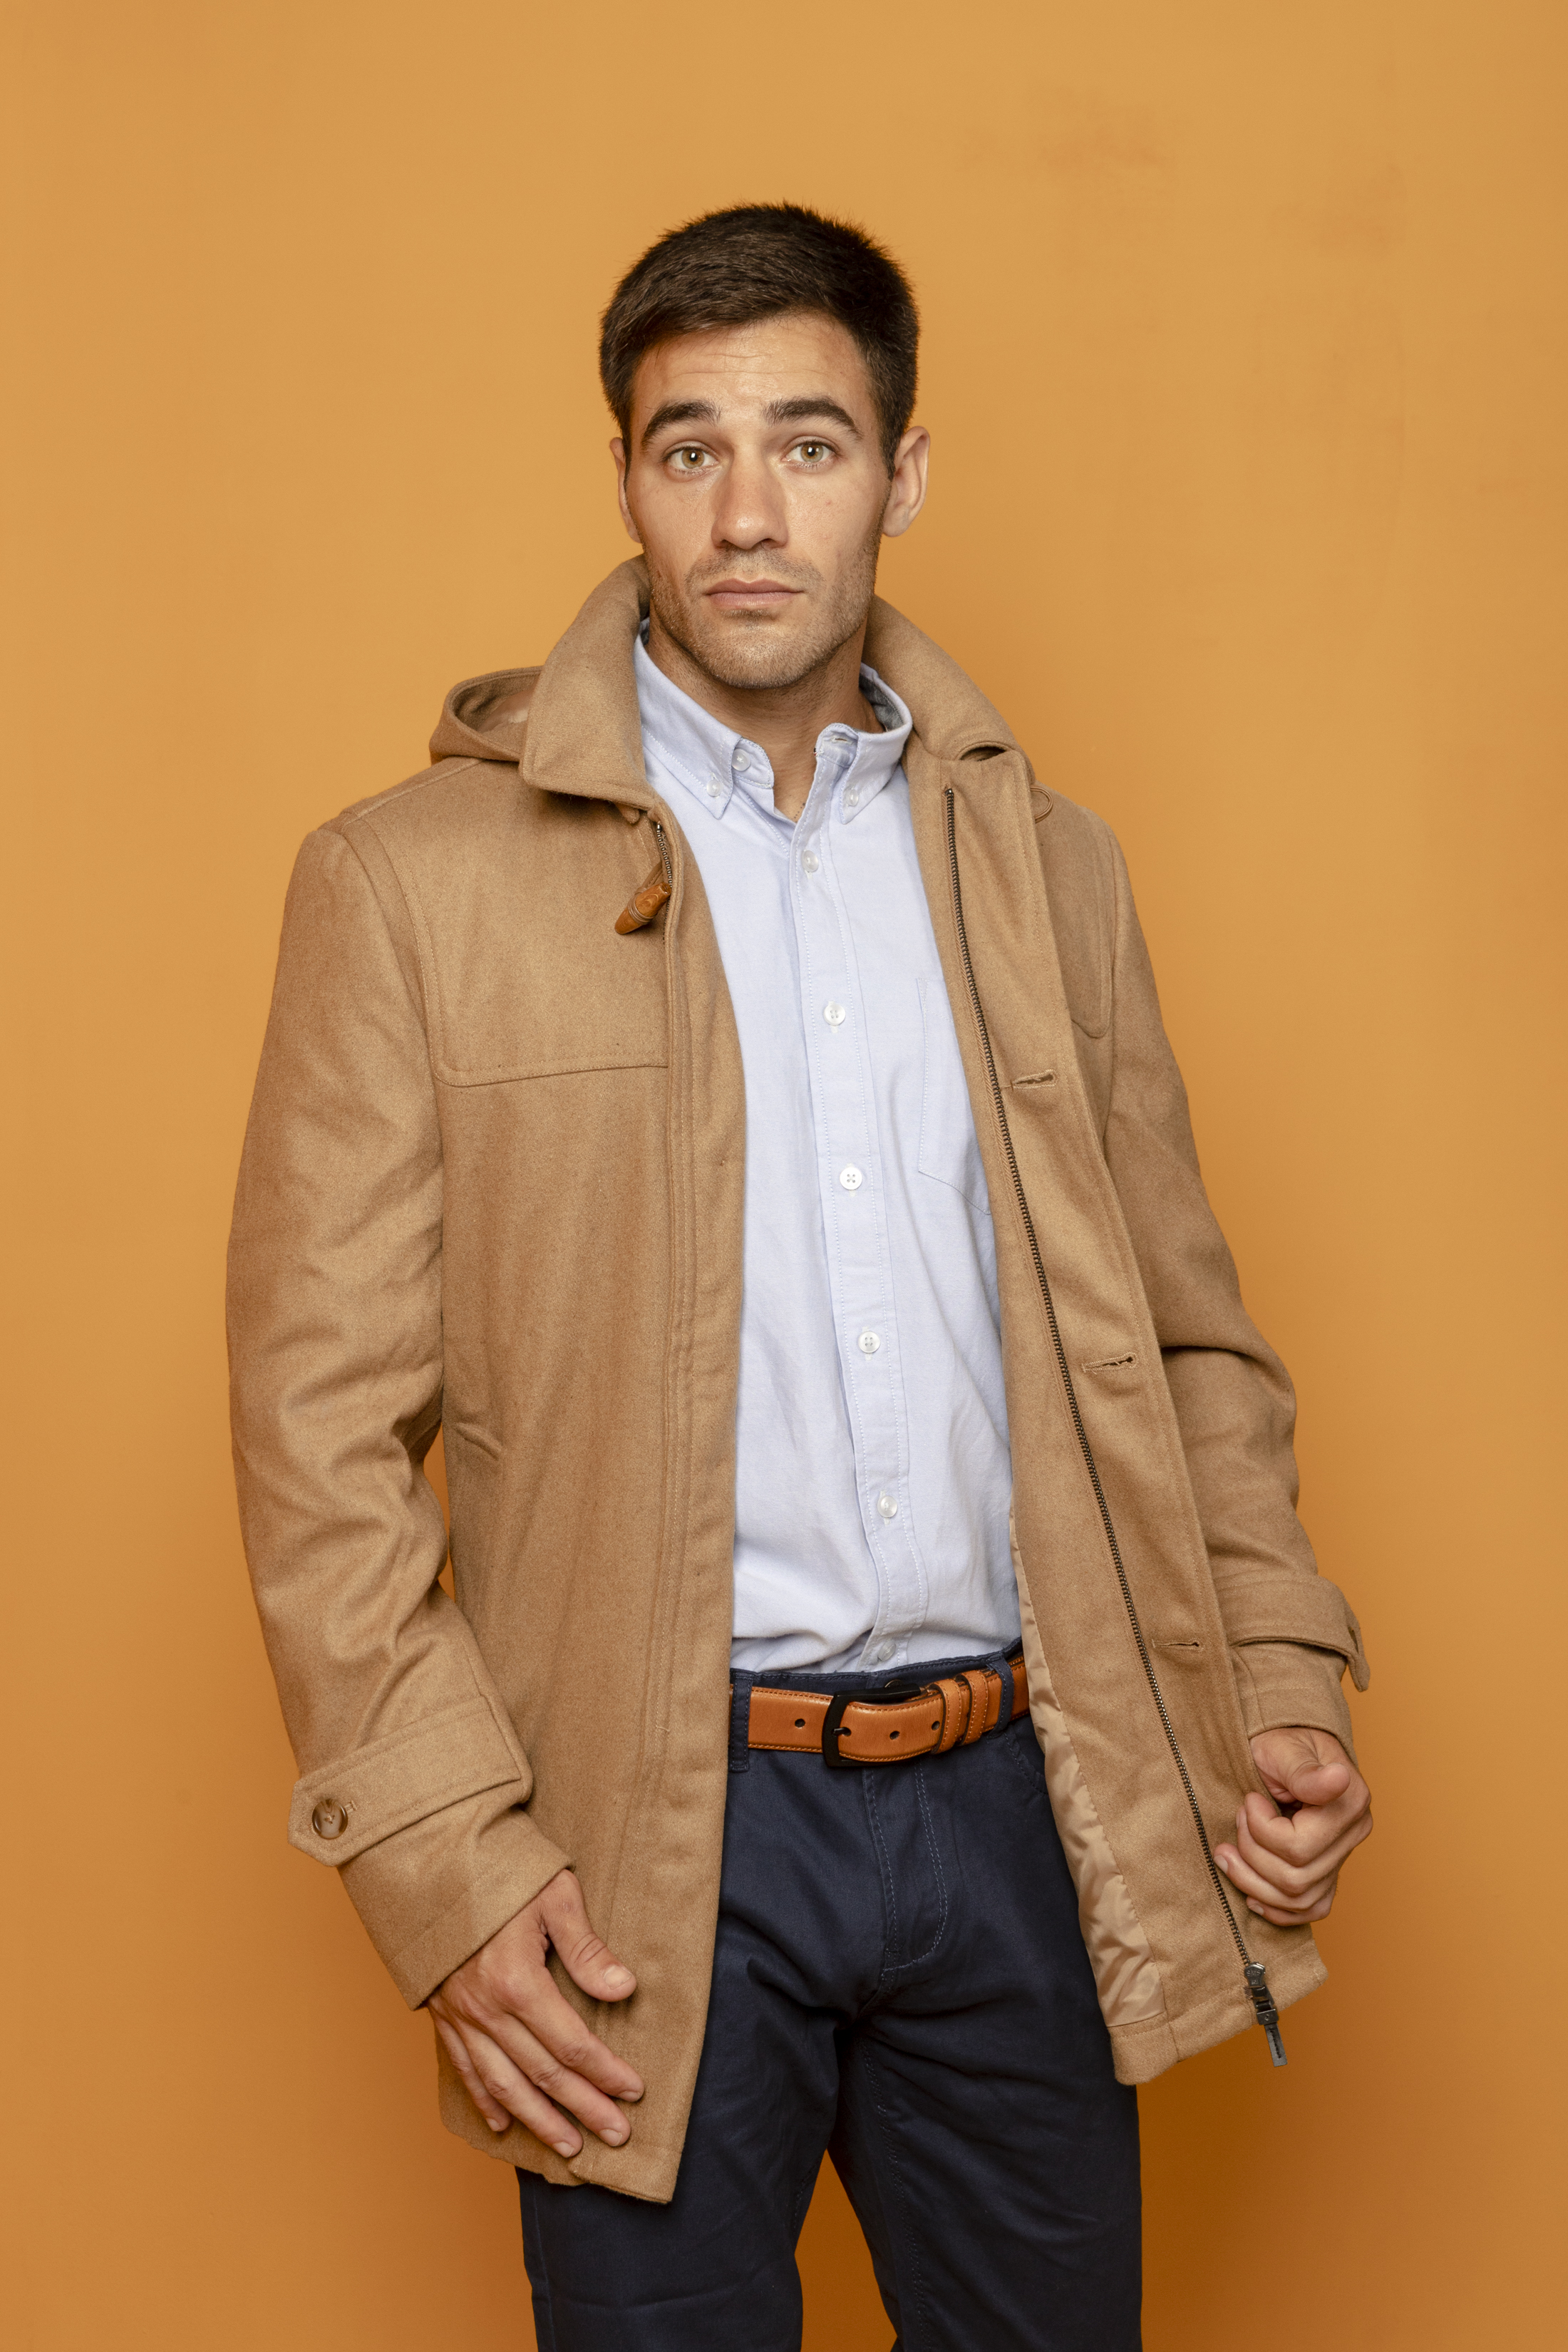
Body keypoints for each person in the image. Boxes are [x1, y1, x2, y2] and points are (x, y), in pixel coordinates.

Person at [227, 204, 1373, 2351]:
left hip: (1023, 1804)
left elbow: (1189, 1336)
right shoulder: (406, 886)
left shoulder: (1051, 867)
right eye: (691, 450)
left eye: (810, 445)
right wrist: (449, 1861)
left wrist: (1284, 1677)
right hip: (645, 1843)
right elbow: (317, 1442)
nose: (748, 515)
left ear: (902, 473)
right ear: (626, 479)